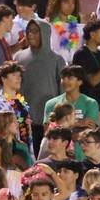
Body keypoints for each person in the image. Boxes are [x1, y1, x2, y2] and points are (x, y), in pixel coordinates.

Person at [15, 20, 64, 154]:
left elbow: (63, 91)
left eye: (35, 31)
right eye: (29, 31)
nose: (31, 35)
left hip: (49, 120)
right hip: (24, 119)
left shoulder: (57, 60)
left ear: (45, 33)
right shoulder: (19, 57)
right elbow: (14, 88)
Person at [73, 21, 100, 103]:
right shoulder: (81, 54)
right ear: (92, 35)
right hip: (83, 101)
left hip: (98, 100)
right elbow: (93, 81)